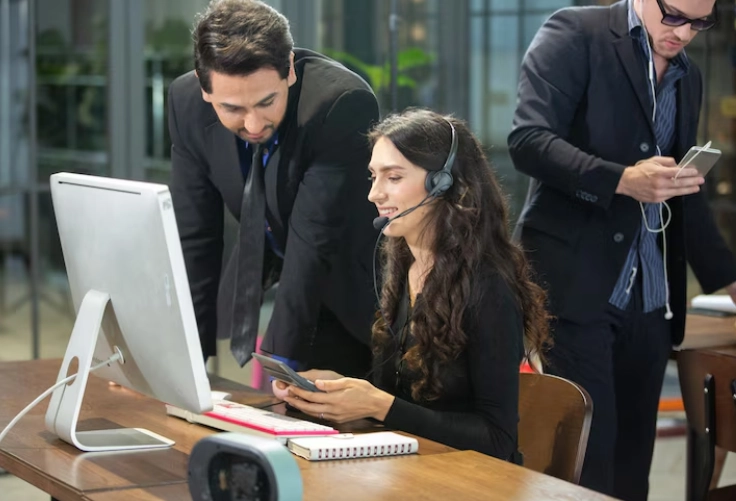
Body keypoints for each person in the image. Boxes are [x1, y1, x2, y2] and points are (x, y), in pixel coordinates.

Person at [508, 0, 736, 498]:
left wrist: (728, 280)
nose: (685, 33)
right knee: (590, 463)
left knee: (635, 466)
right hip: (575, 286)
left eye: (700, 23)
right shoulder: (575, 33)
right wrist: (621, 180)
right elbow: (528, 139)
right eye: (674, 15)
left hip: (652, 298)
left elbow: (685, 195)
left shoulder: (687, 77)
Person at [273, 108, 551, 461]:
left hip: (471, 483)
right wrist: (342, 390)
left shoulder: (489, 287)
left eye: (393, 177)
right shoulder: (404, 264)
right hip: (409, 468)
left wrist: (380, 405)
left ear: (443, 184)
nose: (375, 193)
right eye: (373, 176)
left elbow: (498, 440)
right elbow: (406, 400)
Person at [168, 0, 380, 376]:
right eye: (232, 108)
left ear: (290, 73)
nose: (252, 124)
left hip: (348, 280)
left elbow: (313, 242)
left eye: (267, 102)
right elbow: (194, 237)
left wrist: (282, 365)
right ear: (205, 89)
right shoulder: (185, 103)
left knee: (318, 410)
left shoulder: (338, 104)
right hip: (277, 261)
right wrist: (183, 358)